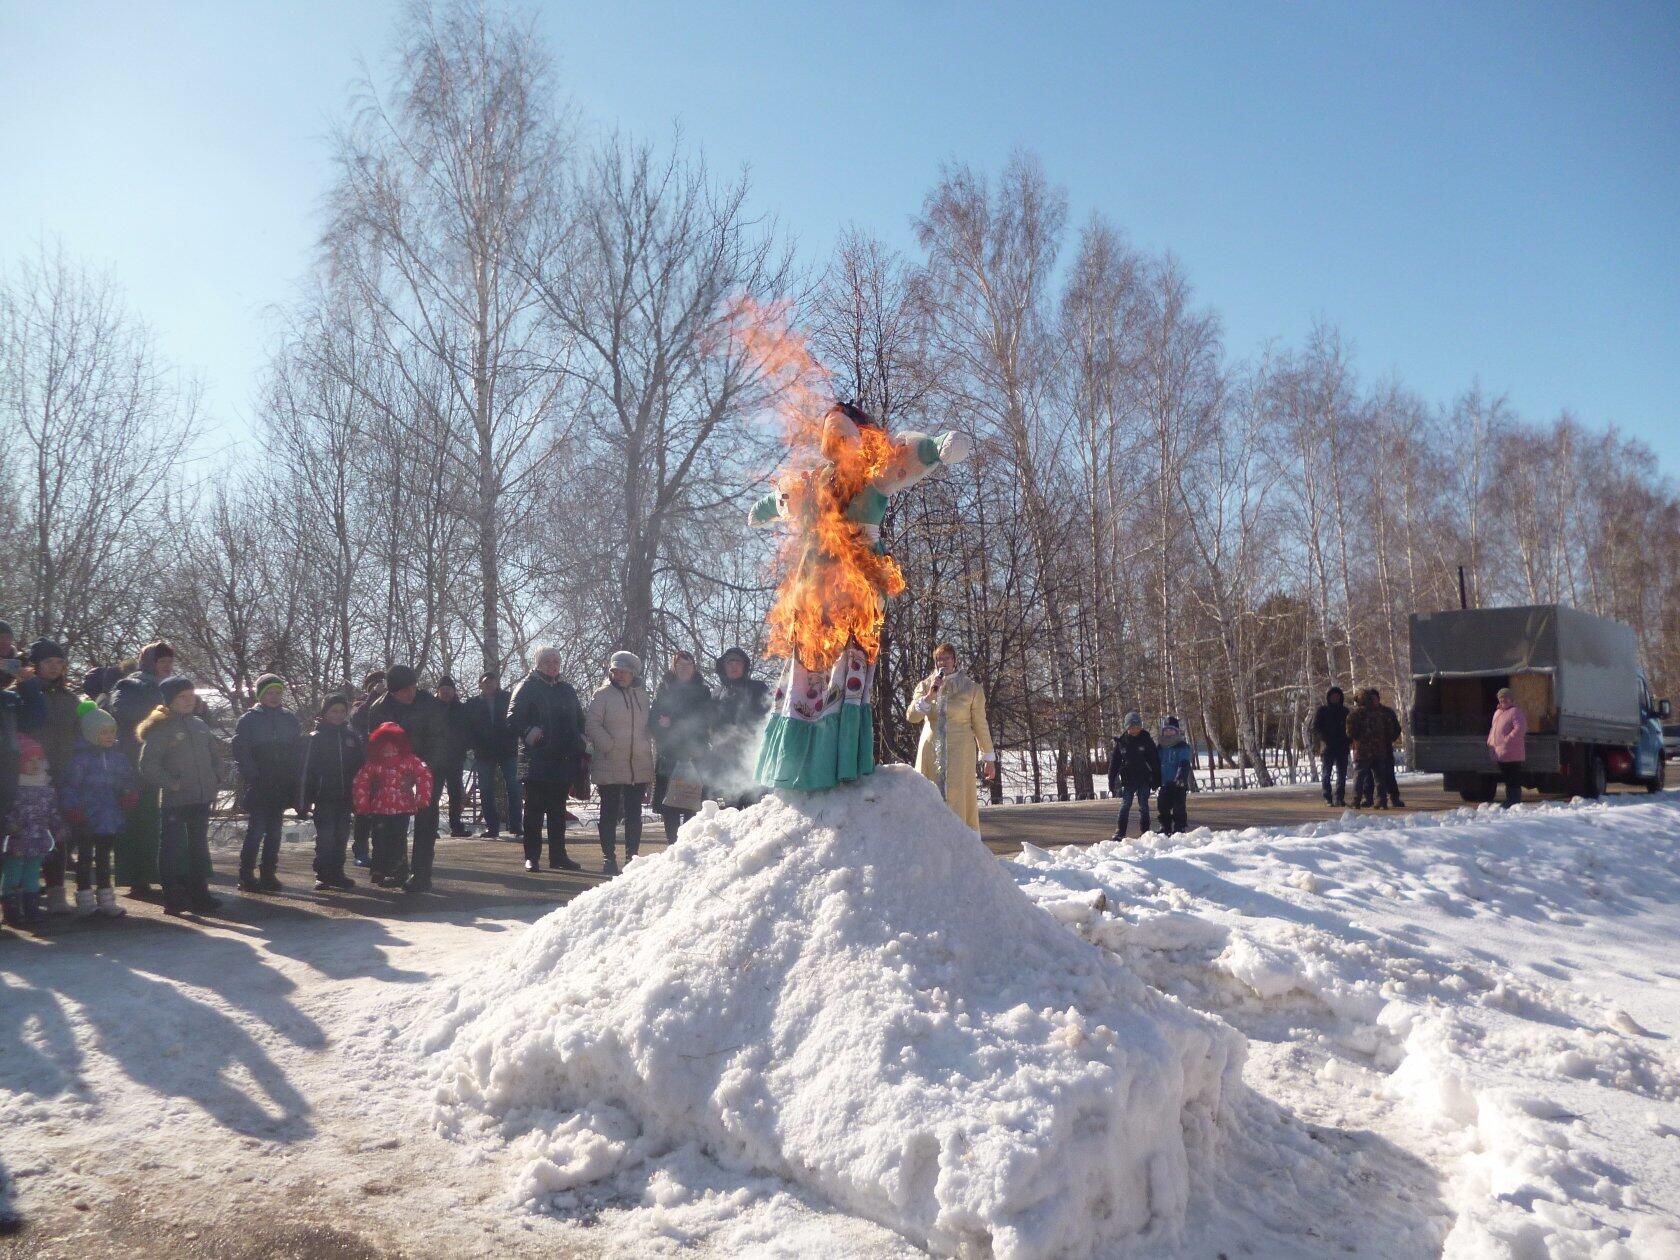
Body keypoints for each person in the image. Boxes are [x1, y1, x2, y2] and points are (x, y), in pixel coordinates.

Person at [749, 402, 973, 793]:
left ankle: (836, 765)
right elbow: (789, 498)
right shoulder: (818, 480)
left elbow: (907, 456)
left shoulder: (874, 473)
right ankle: (799, 767)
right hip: (814, 587)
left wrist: (935, 447)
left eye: (842, 434)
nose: (835, 444)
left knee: (845, 672)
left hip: (857, 584)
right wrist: (766, 508)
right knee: (807, 672)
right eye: (829, 437)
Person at [136, 676, 223, 916]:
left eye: (190, 695)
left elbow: (215, 755)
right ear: (169, 701)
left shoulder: (199, 724)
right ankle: (172, 898)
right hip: (176, 800)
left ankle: (200, 894)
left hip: (201, 796)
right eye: (181, 697)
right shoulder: (161, 728)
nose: (188, 701)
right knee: (172, 849)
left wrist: (216, 777)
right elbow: (148, 765)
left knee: (198, 847)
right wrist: (172, 784)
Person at [361, 664, 446, 892]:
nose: (410, 694)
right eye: (403, 691)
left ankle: (421, 875)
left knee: (426, 821)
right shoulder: (379, 709)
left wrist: (423, 772)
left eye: (413, 688)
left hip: (426, 769)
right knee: (394, 823)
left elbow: (439, 740)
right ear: (392, 691)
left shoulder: (429, 704)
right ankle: (396, 869)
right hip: (394, 775)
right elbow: (375, 746)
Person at [508, 648, 587, 873]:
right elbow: (512, 719)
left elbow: (580, 719)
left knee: (557, 811)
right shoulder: (527, 686)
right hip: (535, 760)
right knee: (533, 810)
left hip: (562, 759)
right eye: (548, 661)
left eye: (556, 661)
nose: (553, 665)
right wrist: (530, 732)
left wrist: (580, 738)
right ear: (538, 663)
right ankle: (532, 857)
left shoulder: (567, 689)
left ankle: (558, 856)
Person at [107, 640, 175, 897]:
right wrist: (157, 714)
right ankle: (136, 876)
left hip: (165, 762)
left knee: (160, 821)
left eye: (170, 662)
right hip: (136, 761)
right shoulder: (130, 684)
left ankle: (160, 872)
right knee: (137, 819)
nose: (167, 667)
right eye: (162, 662)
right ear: (149, 662)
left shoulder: (171, 687)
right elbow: (121, 710)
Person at [907, 642, 996, 830]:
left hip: (960, 751)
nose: (943, 662)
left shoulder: (971, 688)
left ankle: (962, 843)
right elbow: (912, 717)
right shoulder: (924, 686)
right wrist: (930, 695)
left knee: (957, 796)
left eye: (947, 658)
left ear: (955, 660)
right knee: (930, 795)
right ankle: (929, 842)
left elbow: (980, 724)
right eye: (939, 659)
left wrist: (988, 757)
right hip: (930, 750)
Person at [58, 707, 137, 916]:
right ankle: (84, 898)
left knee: (103, 859)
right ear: (91, 733)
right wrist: (73, 808)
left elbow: (126, 779)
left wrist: (128, 793)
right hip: (86, 816)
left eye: (112, 731)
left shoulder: (117, 758)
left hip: (109, 816)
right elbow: (70, 786)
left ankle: (106, 899)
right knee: (84, 858)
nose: (110, 736)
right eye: (104, 732)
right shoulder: (80, 760)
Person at [231, 673, 304, 893]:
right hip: (260, 782)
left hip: (281, 783)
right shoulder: (249, 720)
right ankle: (246, 874)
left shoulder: (289, 719)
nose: (274, 697)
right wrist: (252, 775)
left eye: (278, 693)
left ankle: (268, 873)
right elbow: (241, 751)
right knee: (256, 830)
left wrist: (293, 778)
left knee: (274, 831)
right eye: (269, 693)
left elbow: (296, 751)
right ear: (261, 694)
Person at [585, 651, 656, 874]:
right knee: (609, 812)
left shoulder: (642, 696)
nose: (620, 675)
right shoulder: (602, 695)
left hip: (639, 763)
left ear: (633, 673)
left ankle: (632, 857)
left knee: (634, 813)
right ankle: (609, 858)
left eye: (624, 671)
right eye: (616, 671)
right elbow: (592, 725)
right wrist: (609, 745)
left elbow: (647, 726)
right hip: (610, 761)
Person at [28, 639, 79, 913]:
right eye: (48, 662)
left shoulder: (69, 699)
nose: (55, 668)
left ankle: (57, 889)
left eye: (59, 663)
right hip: (31, 775)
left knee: (58, 833)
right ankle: (25, 890)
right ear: (35, 666)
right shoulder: (24, 694)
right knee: (27, 834)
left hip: (64, 774)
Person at [352, 722, 434, 888]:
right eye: (385, 749)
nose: (389, 752)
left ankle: (399, 871)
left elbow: (424, 775)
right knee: (379, 839)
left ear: (400, 746)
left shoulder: (409, 760)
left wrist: (422, 797)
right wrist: (362, 804)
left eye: (393, 748)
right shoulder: (375, 763)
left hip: (401, 809)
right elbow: (361, 781)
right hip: (380, 808)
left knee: (398, 840)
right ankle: (380, 869)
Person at [298, 694, 365, 890]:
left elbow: (360, 768)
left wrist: (360, 794)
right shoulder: (315, 738)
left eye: (342, 711)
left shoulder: (351, 737)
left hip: (346, 796)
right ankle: (322, 873)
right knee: (325, 836)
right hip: (324, 795)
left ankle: (337, 872)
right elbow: (306, 771)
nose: (338, 715)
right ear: (325, 712)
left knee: (341, 835)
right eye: (334, 711)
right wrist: (304, 800)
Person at [650, 651, 712, 842]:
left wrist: (673, 721)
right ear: (674, 668)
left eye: (688, 665)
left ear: (694, 668)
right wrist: (662, 726)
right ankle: (673, 846)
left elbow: (705, 719)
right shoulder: (664, 690)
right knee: (670, 806)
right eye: (680, 665)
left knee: (693, 805)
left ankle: (689, 846)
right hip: (670, 754)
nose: (684, 669)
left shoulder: (703, 691)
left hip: (696, 754)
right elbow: (654, 720)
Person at [1, 737, 62, 927]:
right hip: (17, 840)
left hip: (38, 840)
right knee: (13, 873)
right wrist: (9, 824)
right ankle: (11, 908)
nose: (35, 764)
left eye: (38, 759)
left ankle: (31, 907)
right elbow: (7, 811)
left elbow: (53, 811)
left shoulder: (47, 789)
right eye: (29, 760)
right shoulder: (14, 789)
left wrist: (58, 827)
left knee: (32, 875)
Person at [464, 671, 521, 839]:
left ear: (497, 683)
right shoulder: (473, 704)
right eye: (485, 682)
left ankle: (516, 825)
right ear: (480, 685)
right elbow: (467, 727)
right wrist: (473, 744)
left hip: (508, 750)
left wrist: (513, 737)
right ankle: (492, 827)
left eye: (492, 681)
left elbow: (517, 719)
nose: (489, 685)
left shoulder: (509, 698)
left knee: (515, 788)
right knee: (486, 790)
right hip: (484, 752)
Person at [710, 647, 769, 806]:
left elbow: (768, 719)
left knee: (753, 812)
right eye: (729, 662)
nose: (734, 665)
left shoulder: (758, 688)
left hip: (752, 760)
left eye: (738, 661)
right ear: (723, 666)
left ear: (744, 666)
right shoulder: (716, 693)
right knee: (726, 811)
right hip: (723, 763)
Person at [348, 671, 387, 864]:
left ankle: (383, 850)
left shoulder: (391, 703)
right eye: (376, 684)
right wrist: (373, 695)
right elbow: (357, 719)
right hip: (365, 762)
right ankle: (361, 849)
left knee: (384, 809)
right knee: (364, 809)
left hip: (387, 763)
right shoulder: (361, 703)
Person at [1347, 688, 1404, 809]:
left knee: (1360, 776)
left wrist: (1360, 739)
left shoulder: (1355, 714)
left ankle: (1356, 800)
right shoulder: (1379, 713)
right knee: (1380, 777)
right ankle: (1381, 801)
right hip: (1380, 749)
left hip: (1363, 750)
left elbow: (1350, 732)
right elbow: (1389, 729)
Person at [1107, 711, 1159, 839]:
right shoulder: (1122, 743)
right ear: (1127, 727)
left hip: (1144, 779)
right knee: (1125, 805)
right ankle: (1120, 831)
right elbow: (1114, 764)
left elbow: (1155, 760)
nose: (1135, 730)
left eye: (1137, 727)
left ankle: (1145, 831)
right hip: (1128, 780)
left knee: (1144, 805)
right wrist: (1112, 780)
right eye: (1131, 727)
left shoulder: (1146, 740)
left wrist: (1157, 778)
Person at [434, 675, 472, 837]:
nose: (445, 693)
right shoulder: (432, 708)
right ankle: (431, 827)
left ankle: (456, 826)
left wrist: (465, 745)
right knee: (433, 794)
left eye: (448, 690)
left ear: (454, 691)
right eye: (442, 690)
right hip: (435, 758)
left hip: (455, 757)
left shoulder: (461, 709)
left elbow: (468, 730)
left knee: (455, 793)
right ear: (438, 692)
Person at [1487, 686, 1528, 808]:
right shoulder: (1498, 713)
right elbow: (1493, 730)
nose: (1503, 701)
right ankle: (1510, 799)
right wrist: (1490, 742)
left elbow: (1521, 728)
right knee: (1506, 776)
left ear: (1511, 699)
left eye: (1506, 698)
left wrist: (1507, 740)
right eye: (1501, 699)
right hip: (1500, 752)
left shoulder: (1515, 712)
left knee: (1513, 776)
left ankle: (1514, 800)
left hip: (1512, 752)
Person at [1313, 686, 1352, 808]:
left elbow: (1351, 728)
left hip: (1342, 747)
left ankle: (1339, 798)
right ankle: (1327, 797)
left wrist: (1348, 740)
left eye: (1337, 696)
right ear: (1329, 697)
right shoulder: (1322, 711)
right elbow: (1316, 728)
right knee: (1326, 773)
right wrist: (1324, 739)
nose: (1335, 698)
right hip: (1328, 747)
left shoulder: (1345, 711)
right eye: (1333, 696)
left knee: (1341, 774)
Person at [1156, 716, 1195, 836]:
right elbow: (1155, 763)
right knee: (1162, 805)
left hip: (1178, 783)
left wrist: (1180, 777)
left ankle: (1180, 827)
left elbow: (1184, 762)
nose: (1168, 732)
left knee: (1179, 806)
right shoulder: (1160, 748)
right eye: (1166, 730)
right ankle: (1165, 826)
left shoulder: (1182, 747)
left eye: (1171, 730)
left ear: (1176, 731)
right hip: (1164, 783)